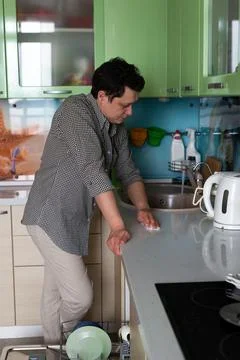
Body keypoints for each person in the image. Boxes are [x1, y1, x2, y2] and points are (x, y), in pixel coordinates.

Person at [21, 57, 160, 344]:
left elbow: (127, 171)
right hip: (49, 216)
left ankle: (52, 348)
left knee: (54, 291)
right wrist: (118, 226)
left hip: (73, 218)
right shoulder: (75, 112)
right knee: (79, 295)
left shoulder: (115, 127)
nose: (131, 112)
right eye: (125, 104)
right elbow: (92, 171)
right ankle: (60, 340)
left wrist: (144, 208)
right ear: (102, 96)